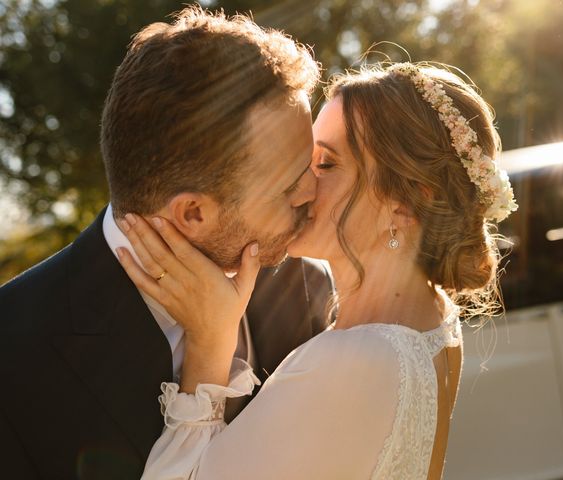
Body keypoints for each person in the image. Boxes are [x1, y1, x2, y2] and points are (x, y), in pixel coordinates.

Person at [116, 62, 518, 479]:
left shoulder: (350, 361)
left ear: (405, 202)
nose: (300, 183)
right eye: (302, 158)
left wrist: (211, 345)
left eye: (325, 164)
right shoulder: (436, 322)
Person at [0, 7, 333, 479]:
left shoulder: (306, 289)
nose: (312, 193)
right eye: (288, 186)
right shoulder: (12, 353)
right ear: (192, 213)